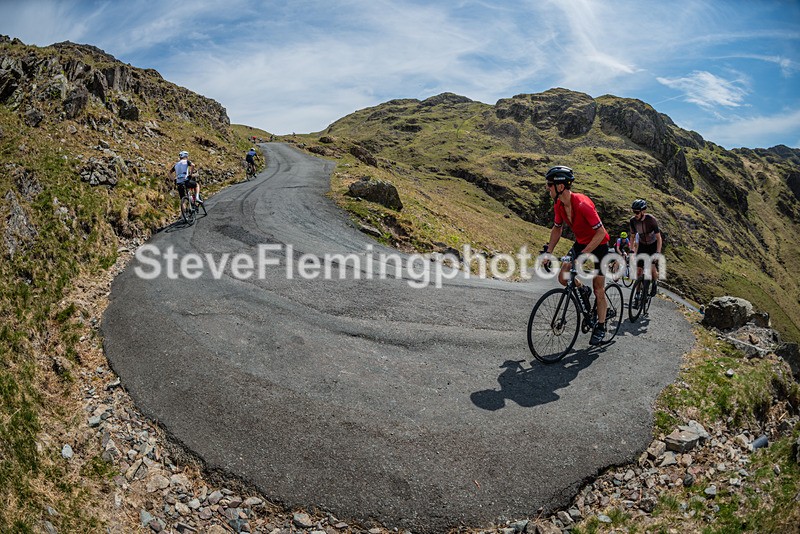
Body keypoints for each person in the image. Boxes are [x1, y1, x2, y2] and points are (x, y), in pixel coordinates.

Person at [541, 166, 611, 345]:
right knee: (564, 277)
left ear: (561, 186)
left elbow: (601, 233)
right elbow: (557, 228)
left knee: (598, 288)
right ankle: (582, 289)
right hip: (581, 243)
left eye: (550, 184)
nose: (548, 187)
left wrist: (583, 255)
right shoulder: (559, 204)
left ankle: (601, 326)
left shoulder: (582, 203)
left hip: (599, 245)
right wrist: (549, 252)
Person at [629, 199, 662, 298]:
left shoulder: (651, 220)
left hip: (653, 245)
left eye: (637, 212)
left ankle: (655, 282)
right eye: (634, 212)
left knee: (652, 268)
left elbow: (659, 238)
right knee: (639, 271)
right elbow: (632, 237)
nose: (635, 214)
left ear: (643, 211)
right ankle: (637, 294)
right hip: (643, 245)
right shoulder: (633, 221)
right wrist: (631, 250)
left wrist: (658, 252)